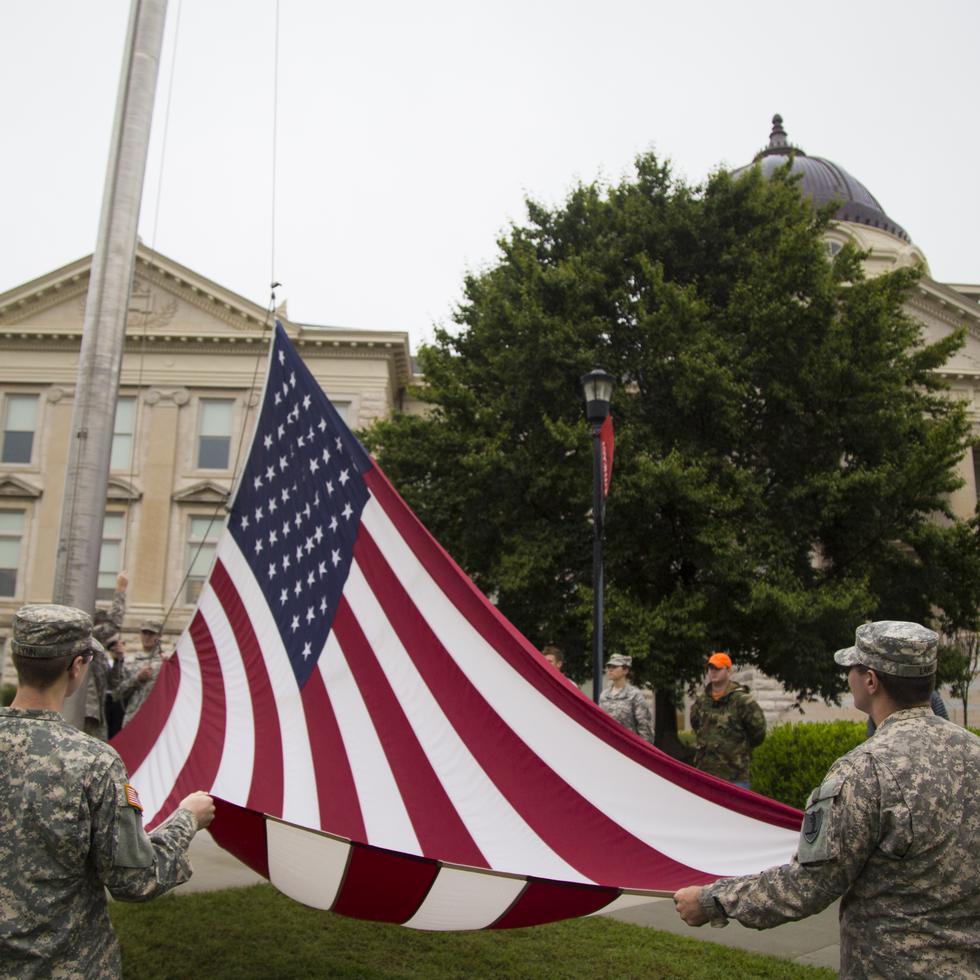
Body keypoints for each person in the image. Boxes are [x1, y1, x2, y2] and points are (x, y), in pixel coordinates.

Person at [673, 621, 980, 980]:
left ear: (870, 681)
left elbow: (808, 884)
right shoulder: (974, 752)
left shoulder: (864, 770)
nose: (847, 676)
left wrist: (713, 901)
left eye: (853, 667)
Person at [0, 603, 215, 978]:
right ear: (77, 666)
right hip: (64, 967)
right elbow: (135, 879)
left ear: (16, 657)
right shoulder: (92, 763)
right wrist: (187, 820)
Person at [689, 651, 766, 788]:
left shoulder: (743, 701)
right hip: (705, 774)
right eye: (711, 668)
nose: (713, 672)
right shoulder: (701, 702)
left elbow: (758, 732)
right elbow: (696, 725)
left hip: (735, 776)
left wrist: (738, 749)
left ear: (728, 671)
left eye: (718, 668)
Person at [116, 618, 166, 727]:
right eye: (145, 633)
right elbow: (118, 693)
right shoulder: (130, 661)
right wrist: (137, 678)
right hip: (133, 717)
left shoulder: (166, 662)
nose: (147, 637)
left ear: (159, 636)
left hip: (158, 720)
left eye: (151, 634)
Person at [599, 653, 654, 742]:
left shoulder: (634, 695)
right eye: (609, 667)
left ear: (625, 670)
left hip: (628, 747)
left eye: (615, 667)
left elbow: (645, 727)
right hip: (608, 746)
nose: (610, 670)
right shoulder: (604, 695)